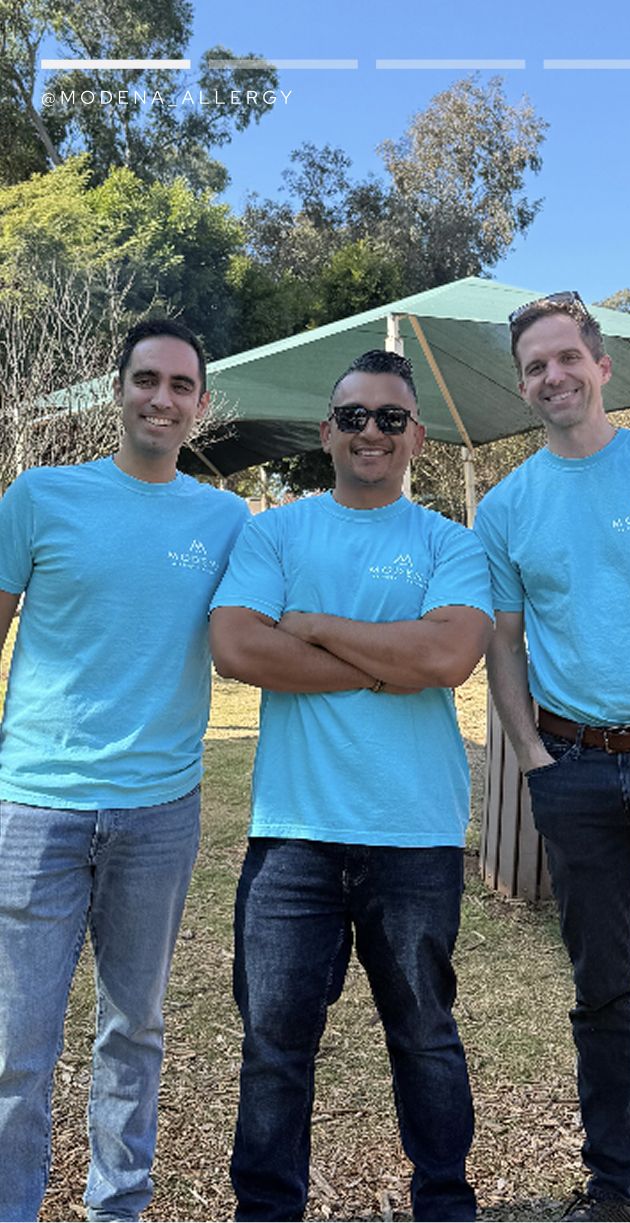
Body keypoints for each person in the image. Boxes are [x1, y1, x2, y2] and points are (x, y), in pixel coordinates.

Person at [209, 349, 493, 1222]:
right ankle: (267, 1210)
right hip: (293, 832)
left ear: (416, 437)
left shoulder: (451, 541)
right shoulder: (275, 532)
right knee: (274, 1046)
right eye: (356, 416)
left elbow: (448, 655)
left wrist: (316, 628)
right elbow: (237, 646)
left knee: (425, 1038)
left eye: (392, 418)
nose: (373, 431)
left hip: (415, 832)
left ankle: (444, 1203)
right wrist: (384, 660)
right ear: (328, 430)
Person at [474, 290, 630, 1223]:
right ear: (524, 384)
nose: (553, 375)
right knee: (602, 990)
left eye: (566, 357)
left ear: (602, 365)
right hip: (575, 770)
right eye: (535, 365)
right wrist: (533, 753)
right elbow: (503, 643)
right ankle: (618, 1186)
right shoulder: (506, 508)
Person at [0, 318, 249, 1222]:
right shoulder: (37, 497)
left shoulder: (226, 519)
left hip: (159, 813)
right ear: (118, 390)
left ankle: (119, 1207)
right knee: (15, 1048)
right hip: (36, 807)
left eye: (181, 385)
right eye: (147, 379)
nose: (162, 398)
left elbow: (252, 631)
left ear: (201, 406)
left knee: (133, 1031)